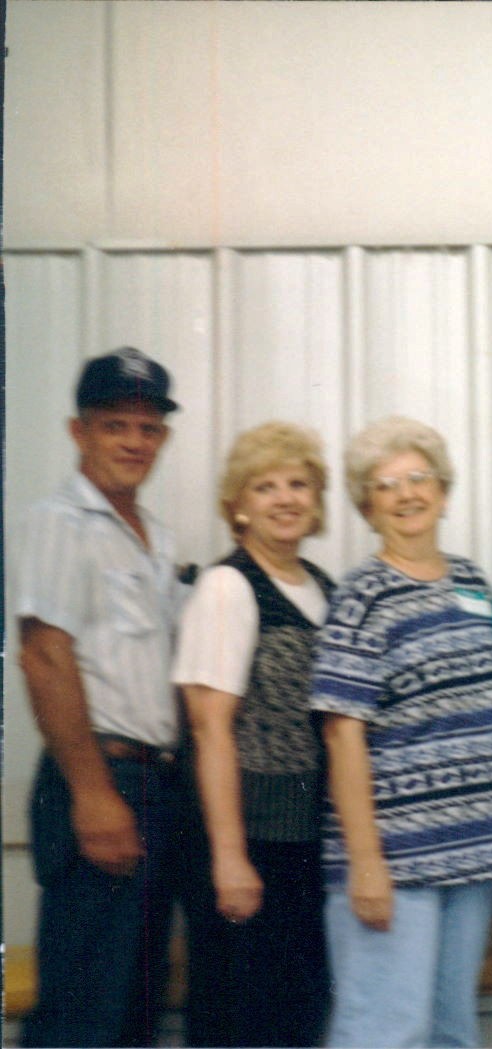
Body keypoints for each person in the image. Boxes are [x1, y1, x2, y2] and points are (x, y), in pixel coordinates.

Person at [310, 416, 492, 1048]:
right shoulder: (361, 597)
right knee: (385, 1033)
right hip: (395, 861)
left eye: (418, 478)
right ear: (368, 507)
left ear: (443, 492)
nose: (406, 494)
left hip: (472, 853)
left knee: (453, 1033)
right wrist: (367, 863)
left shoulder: (473, 583)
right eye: (386, 485)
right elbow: (342, 735)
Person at [17, 348, 187, 1047]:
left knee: (133, 1011)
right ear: (78, 431)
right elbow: (44, 655)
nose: (133, 442)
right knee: (83, 1011)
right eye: (114, 425)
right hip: (101, 780)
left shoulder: (157, 539)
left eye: (147, 428)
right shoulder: (60, 521)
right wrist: (92, 795)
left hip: (155, 786)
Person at [171, 422, 335, 1047]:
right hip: (249, 844)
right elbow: (209, 729)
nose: (285, 498)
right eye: (265, 487)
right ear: (238, 505)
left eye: (298, 484)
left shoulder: (323, 587)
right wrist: (229, 856)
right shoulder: (228, 586)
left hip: (308, 844)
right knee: (240, 1020)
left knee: (298, 1016)